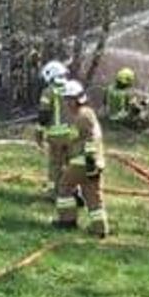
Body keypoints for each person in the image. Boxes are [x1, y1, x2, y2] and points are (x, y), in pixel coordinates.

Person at [53, 79, 108, 237]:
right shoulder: (88, 114)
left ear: (76, 99)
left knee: (65, 186)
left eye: (68, 99)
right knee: (93, 195)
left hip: (83, 161)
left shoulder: (82, 116)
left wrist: (88, 162)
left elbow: (85, 139)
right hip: (95, 162)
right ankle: (100, 229)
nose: (66, 103)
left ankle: (67, 221)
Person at [34, 60, 70, 194]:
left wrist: (39, 132)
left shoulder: (48, 92)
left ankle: (53, 191)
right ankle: (73, 190)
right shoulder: (73, 89)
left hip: (57, 136)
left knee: (55, 164)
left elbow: (44, 114)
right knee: (72, 163)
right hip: (75, 134)